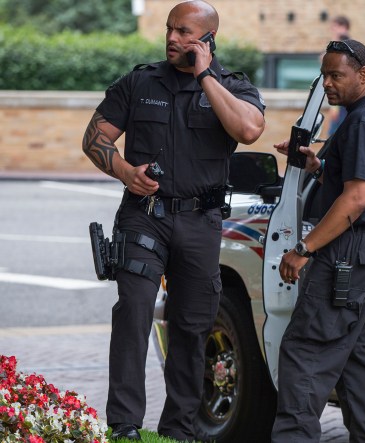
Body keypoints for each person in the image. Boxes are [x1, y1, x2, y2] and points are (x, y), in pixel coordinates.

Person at [81, 1, 266, 440]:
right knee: (134, 312)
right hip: (144, 217)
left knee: (191, 324)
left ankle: (178, 429)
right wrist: (126, 172)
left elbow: (249, 131)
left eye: (184, 32)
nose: (172, 38)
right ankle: (125, 425)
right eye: (169, 29)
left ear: (206, 40)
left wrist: (205, 76)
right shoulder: (140, 81)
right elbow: (95, 137)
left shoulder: (232, 87)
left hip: (200, 222)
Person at [270, 39, 365, 442]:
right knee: (360, 359)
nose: (327, 84)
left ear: (364, 74)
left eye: (336, 75)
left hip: (351, 251)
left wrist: (304, 248)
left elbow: (358, 198)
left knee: (305, 355)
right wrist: (317, 166)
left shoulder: (364, 120)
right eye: (324, 75)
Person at [327, 15, 351, 136]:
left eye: (335, 27)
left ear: (343, 27)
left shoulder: (344, 46)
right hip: (343, 101)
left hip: (342, 102)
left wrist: (335, 106)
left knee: (335, 136)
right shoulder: (350, 47)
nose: (333, 30)